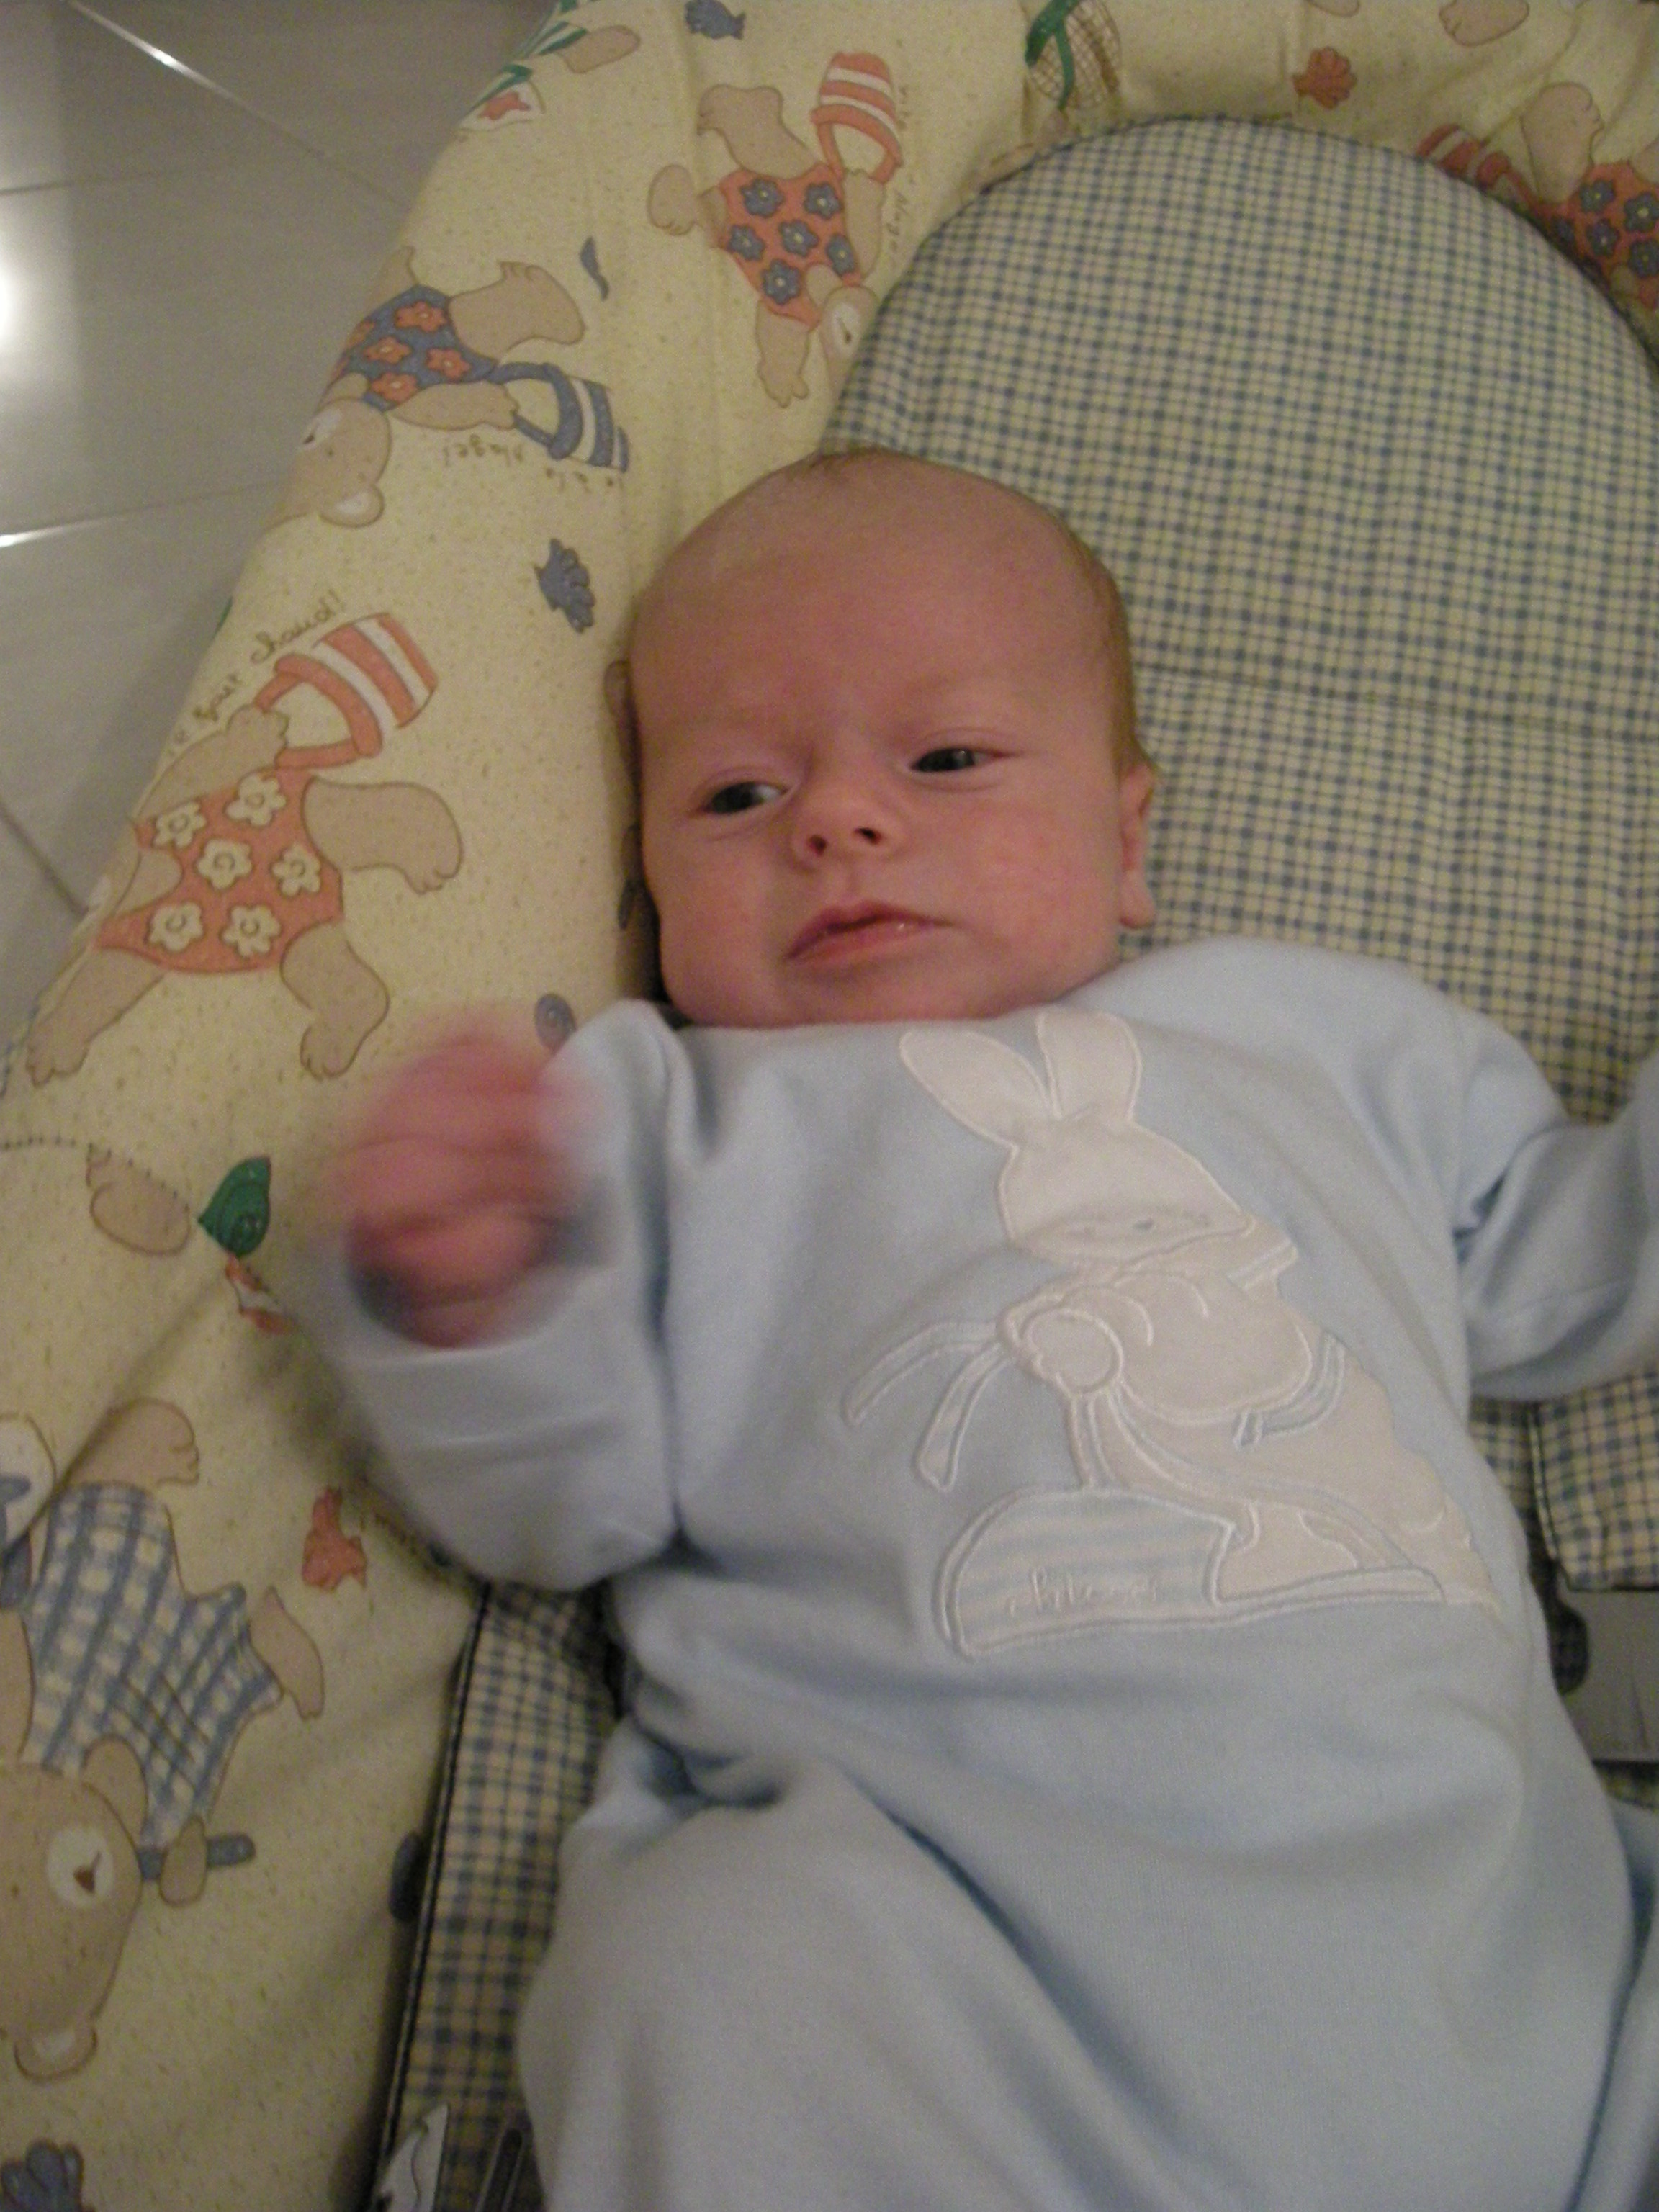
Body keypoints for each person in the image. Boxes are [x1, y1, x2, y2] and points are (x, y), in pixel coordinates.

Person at [311, 450, 1659, 2211]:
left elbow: (1560, 1270)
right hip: (936, 1938)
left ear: (1129, 838)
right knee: (703, 1976)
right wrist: (473, 1298)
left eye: (945, 759)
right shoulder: (661, 1116)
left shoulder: (1321, 1036)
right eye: (735, 794)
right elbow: (563, 1510)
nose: (837, 822)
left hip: (1490, 1942)